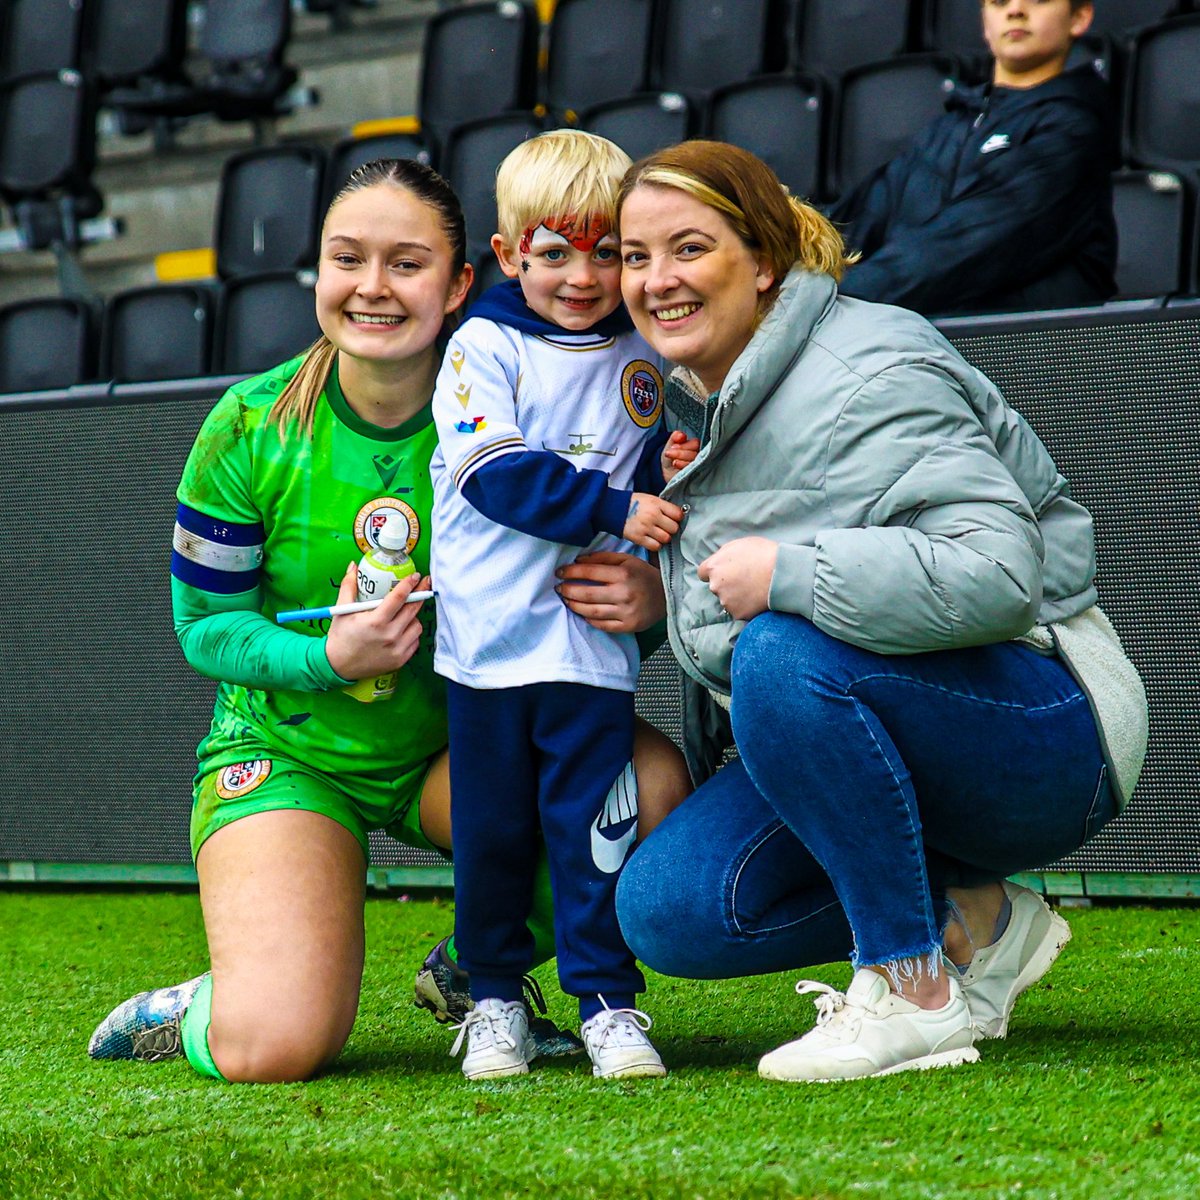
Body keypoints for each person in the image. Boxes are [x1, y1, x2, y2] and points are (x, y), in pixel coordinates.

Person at [86, 158, 689, 1084]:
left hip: (463, 743)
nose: (371, 287)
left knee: (645, 787)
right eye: (346, 259)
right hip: (295, 753)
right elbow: (205, 629)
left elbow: (591, 589)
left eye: (405, 264)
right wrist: (330, 653)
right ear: (318, 275)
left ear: (459, 284)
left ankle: (473, 972)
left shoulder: (531, 391)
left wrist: (649, 600)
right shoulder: (248, 425)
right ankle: (206, 1001)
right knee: (274, 1045)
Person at [612, 140, 1148, 1083]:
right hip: (864, 723)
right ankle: (977, 915)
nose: (657, 280)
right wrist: (655, 603)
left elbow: (997, 571)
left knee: (782, 650)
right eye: (635, 256)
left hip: (1050, 725)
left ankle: (913, 988)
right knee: (673, 907)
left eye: (688, 249)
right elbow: (734, 584)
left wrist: (789, 570)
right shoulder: (696, 398)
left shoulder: (870, 361)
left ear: (764, 259)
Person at [429, 129, 686, 1082]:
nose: (583, 276)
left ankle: (608, 1005)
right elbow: (495, 477)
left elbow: (664, 448)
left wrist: (674, 467)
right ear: (507, 256)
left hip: (590, 654)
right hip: (490, 652)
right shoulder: (483, 347)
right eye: (554, 253)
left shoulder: (643, 348)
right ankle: (493, 999)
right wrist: (618, 507)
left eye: (608, 251)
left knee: (596, 834)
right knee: (493, 836)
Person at [830, 0, 1118, 316]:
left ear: (1079, 17)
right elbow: (844, 226)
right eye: (999, 2)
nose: (1015, 10)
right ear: (984, 23)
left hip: (1026, 354)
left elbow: (960, 248)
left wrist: (830, 305)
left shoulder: (1074, 128)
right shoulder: (946, 129)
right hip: (926, 346)